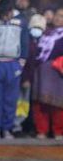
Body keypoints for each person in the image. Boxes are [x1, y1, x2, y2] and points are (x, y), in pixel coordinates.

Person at [0, 0, 29, 139]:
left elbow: (25, 42)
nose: (4, 16)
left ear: (11, 11)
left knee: (10, 99)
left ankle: (7, 129)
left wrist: (21, 62)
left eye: (6, 13)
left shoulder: (21, 22)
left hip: (12, 63)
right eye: (2, 14)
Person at [25, 8, 63, 139]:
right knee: (40, 102)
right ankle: (42, 130)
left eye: (62, 16)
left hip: (57, 72)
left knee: (57, 103)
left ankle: (58, 131)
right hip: (41, 70)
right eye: (57, 15)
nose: (58, 18)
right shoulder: (45, 33)